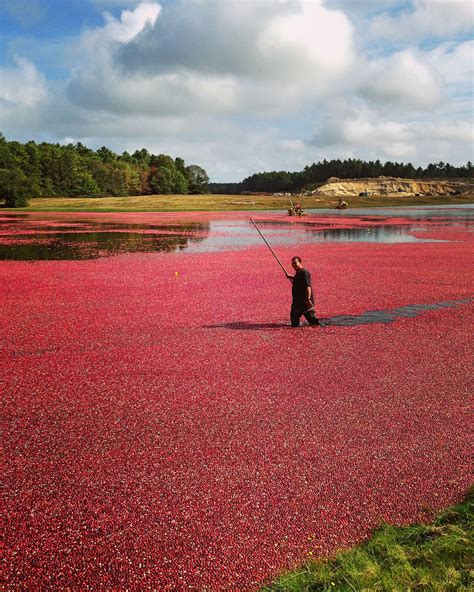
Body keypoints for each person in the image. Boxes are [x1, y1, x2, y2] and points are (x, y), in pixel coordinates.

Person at [286, 256, 321, 327]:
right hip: (297, 302)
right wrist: (292, 277)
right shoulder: (298, 272)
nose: (294, 265)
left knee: (314, 323)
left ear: (300, 263)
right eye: (292, 264)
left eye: (295, 263)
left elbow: (308, 287)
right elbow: (299, 281)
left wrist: (308, 300)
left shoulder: (304, 272)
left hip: (305, 303)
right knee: (294, 323)